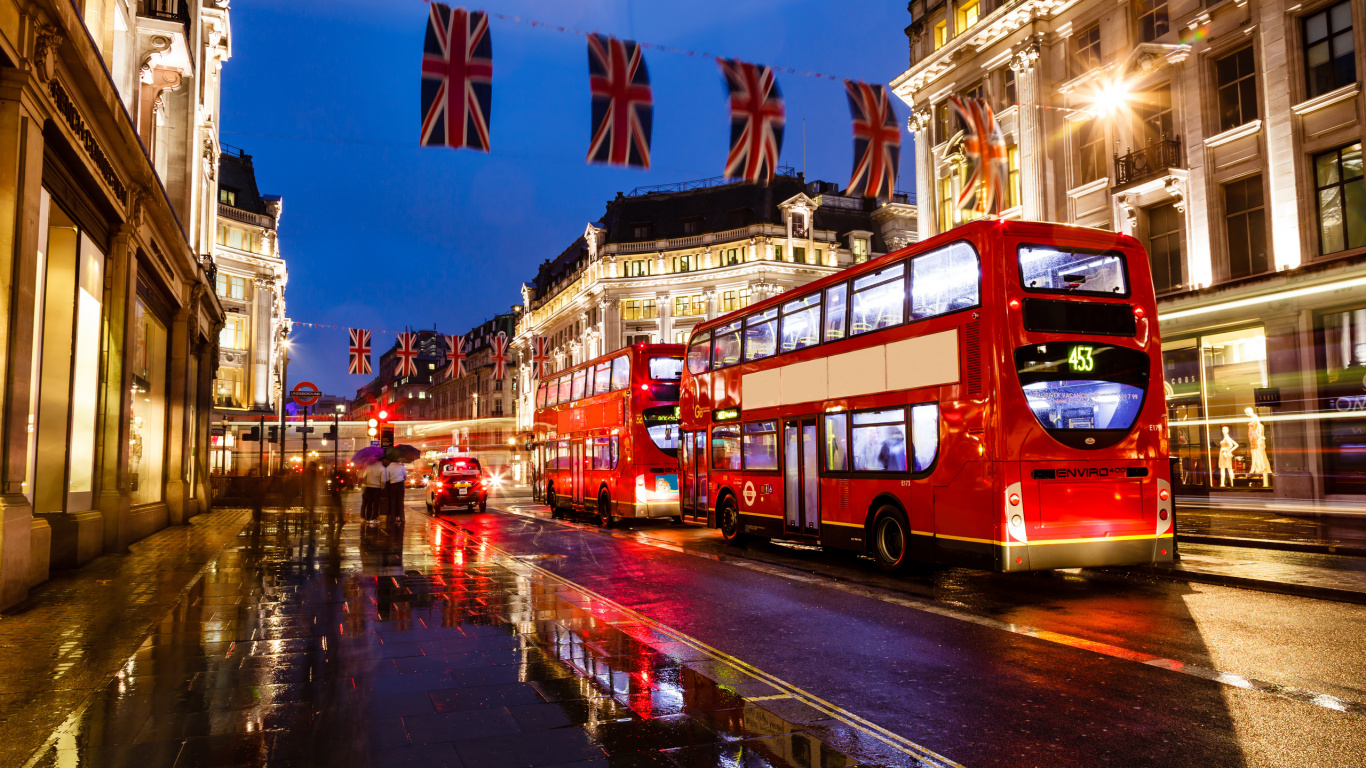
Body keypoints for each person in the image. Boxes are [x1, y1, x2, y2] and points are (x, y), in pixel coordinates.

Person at [362, 458, 386, 525]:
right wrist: (382, 487)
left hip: (369, 487)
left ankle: (368, 518)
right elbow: (383, 480)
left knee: (369, 503)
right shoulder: (382, 468)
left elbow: (364, 475)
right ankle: (374, 518)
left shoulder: (369, 466)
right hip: (377, 488)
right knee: (376, 504)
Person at [386, 455, 408, 525]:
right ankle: (402, 517)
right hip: (400, 484)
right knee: (400, 502)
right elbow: (405, 476)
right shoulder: (401, 466)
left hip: (392, 485)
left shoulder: (388, 467)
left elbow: (387, 479)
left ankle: (393, 518)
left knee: (393, 502)